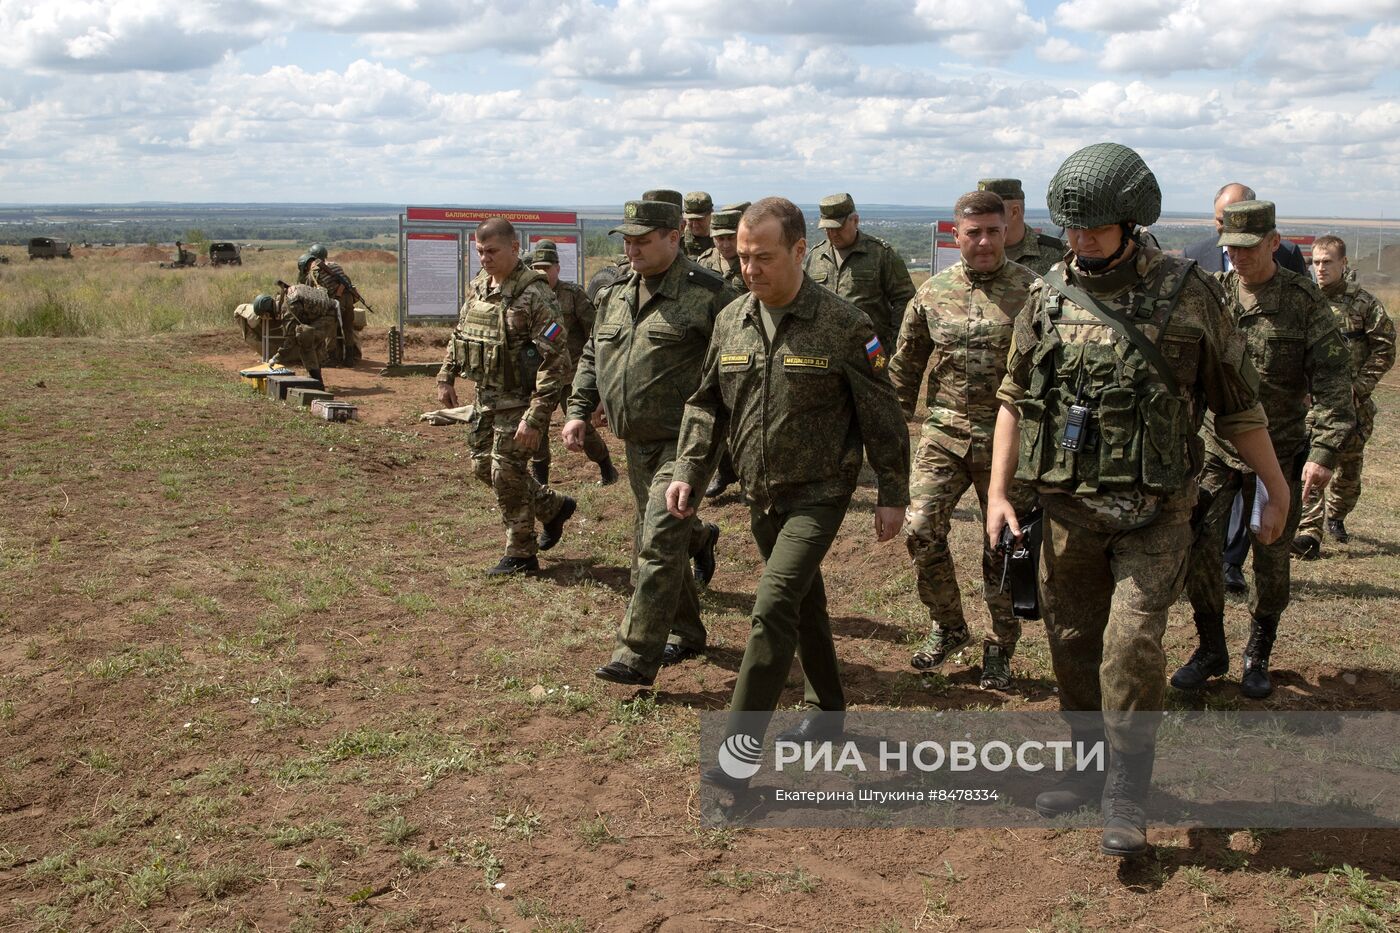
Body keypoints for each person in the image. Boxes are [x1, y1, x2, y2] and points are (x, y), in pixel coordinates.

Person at [985, 143, 1289, 858]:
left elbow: (1238, 408)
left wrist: (1275, 486)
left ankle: (1127, 787)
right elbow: (1013, 397)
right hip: (1068, 515)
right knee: (1072, 648)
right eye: (1073, 228)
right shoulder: (1048, 294)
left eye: (1095, 227)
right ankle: (1089, 765)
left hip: (1156, 516)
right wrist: (999, 490)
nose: (1081, 240)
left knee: (1130, 647)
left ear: (1131, 220)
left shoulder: (1189, 295)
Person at [665, 197, 910, 780]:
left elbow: (882, 413)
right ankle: (827, 710)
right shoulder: (732, 320)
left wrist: (893, 493)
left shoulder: (845, 324)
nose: (750, 269)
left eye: (764, 257)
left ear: (801, 251)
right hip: (760, 493)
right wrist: (689, 472)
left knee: (772, 606)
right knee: (803, 604)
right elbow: (706, 407)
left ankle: (736, 756)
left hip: (819, 494)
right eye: (744, 257)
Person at [1178, 202, 1355, 698]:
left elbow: (1335, 381)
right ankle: (1211, 648)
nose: (1239, 258)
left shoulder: (1303, 301)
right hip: (1217, 449)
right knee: (1199, 548)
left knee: (1271, 560)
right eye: (1230, 249)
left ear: (1274, 243)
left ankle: (1259, 655)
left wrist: (1323, 452)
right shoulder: (1214, 296)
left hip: (1279, 455)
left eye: (1249, 248)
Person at [565, 198, 737, 686]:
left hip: (686, 444)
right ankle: (686, 630)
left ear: (675, 235)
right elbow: (592, 356)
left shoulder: (710, 295)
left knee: (656, 540)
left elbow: (738, 366)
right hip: (635, 443)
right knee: (661, 537)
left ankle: (636, 654)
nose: (632, 247)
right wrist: (580, 409)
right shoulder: (616, 292)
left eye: (643, 239)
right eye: (627, 238)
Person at [889, 190, 1038, 689]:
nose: (984, 242)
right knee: (920, 528)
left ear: (1006, 230)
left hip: (1007, 438)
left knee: (1002, 545)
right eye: (973, 232)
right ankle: (949, 625)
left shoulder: (1034, 292)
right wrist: (886, 439)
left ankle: (1001, 645)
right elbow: (905, 370)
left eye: (993, 231)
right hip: (945, 433)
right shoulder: (931, 293)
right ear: (957, 236)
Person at [436, 218, 577, 576]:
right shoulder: (480, 288)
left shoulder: (535, 294)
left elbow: (555, 359)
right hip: (487, 397)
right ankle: (552, 506)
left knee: (505, 470)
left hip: (521, 401)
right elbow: (460, 334)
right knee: (481, 465)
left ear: (514, 248)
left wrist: (537, 415)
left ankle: (522, 553)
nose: (484, 258)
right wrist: (446, 375)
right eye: (480, 251)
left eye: (492, 251)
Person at [1292, 235, 1395, 557]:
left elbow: (1385, 349)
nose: (1320, 269)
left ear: (1343, 264)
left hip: (1353, 406)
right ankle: (1309, 532)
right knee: (1311, 462)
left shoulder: (1363, 303)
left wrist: (1360, 387)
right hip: (1315, 404)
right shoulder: (1304, 301)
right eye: (1315, 262)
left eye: (1327, 262)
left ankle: (1336, 516)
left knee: (1348, 472)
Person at [528, 239, 619, 487]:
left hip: (572, 374)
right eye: (537, 267)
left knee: (583, 427)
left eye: (548, 267)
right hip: (542, 375)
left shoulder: (573, 295)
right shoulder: (529, 297)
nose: (543, 273)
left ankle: (606, 466)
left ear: (557, 267)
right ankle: (541, 479)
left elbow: (595, 332)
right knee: (537, 427)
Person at [804, 193, 916, 353]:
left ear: (855, 220)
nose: (833, 234)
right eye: (827, 229)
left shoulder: (880, 254)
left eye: (838, 227)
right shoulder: (815, 256)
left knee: (877, 378)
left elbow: (905, 300)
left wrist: (893, 344)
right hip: (826, 352)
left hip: (871, 351)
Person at [697, 202, 750, 501]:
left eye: (731, 237)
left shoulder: (753, 262)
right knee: (714, 416)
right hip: (711, 349)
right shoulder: (703, 264)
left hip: (746, 348)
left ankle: (747, 478)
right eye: (719, 237)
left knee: (743, 417)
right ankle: (725, 470)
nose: (725, 243)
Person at [977, 178, 1066, 276]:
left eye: (990, 211)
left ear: (1014, 212)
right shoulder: (975, 253)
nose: (982, 217)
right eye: (978, 211)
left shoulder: (1058, 254)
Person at [266, 284, 339, 386]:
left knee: (304, 340)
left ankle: (316, 382)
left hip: (327, 316)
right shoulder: (288, 293)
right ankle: (315, 379)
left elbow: (290, 341)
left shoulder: (288, 308)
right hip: (328, 312)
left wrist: (276, 358)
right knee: (309, 338)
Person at [305, 245, 363, 365]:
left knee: (330, 327)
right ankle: (349, 358)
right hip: (348, 299)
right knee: (348, 328)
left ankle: (332, 358)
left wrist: (336, 296)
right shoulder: (336, 266)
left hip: (336, 301)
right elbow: (346, 281)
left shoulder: (314, 271)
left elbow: (310, 291)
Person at [698, 204, 748, 291]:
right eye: (720, 239)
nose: (726, 245)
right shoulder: (704, 261)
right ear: (713, 237)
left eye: (731, 238)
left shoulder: (751, 262)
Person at [682, 191, 714, 259]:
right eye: (690, 220)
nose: (695, 225)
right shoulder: (677, 242)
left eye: (699, 219)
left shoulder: (722, 240)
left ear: (711, 215)